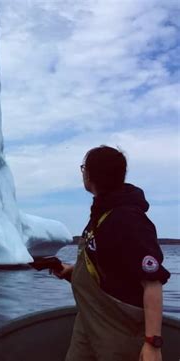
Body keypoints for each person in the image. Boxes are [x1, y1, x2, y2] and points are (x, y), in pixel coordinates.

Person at [54, 145, 170, 361]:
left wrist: (152, 343)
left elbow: (152, 282)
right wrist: (72, 272)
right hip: (90, 326)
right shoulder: (103, 214)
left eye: (83, 169)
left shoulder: (127, 219)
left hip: (117, 332)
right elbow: (109, 268)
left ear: (89, 175)